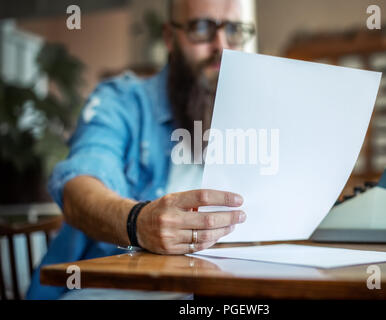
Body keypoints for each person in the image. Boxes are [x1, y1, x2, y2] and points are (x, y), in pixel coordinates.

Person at [26, 0, 256, 299]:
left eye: (235, 30)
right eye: (202, 28)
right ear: (170, 38)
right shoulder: (121, 102)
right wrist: (138, 222)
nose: (221, 45)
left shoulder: (254, 117)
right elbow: (80, 187)